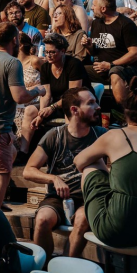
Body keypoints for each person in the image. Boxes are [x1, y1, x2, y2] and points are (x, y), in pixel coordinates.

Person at [74, 78, 137, 248]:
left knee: (91, 165)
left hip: (120, 230)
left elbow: (79, 161)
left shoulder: (114, 136)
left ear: (125, 111)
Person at [25, 87, 105, 260]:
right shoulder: (54, 135)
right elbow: (28, 170)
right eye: (91, 103)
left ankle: (67, 265)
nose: (97, 106)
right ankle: (43, 267)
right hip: (59, 198)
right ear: (74, 110)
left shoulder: (102, 136)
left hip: (89, 197)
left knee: (82, 218)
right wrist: (54, 178)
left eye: (96, 101)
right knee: (42, 219)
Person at [0, 23, 44, 207]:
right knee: (0, 178)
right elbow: (20, 96)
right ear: (15, 40)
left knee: (11, 153)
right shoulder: (13, 63)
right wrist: (38, 90)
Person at [82, 0, 137, 107]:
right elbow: (94, 52)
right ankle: (89, 112)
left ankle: (124, 114)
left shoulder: (126, 24)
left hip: (127, 69)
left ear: (103, 8)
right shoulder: (96, 23)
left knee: (115, 72)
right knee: (76, 69)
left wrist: (110, 65)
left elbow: (136, 53)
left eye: (94, 5)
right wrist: (88, 46)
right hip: (101, 69)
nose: (91, 8)